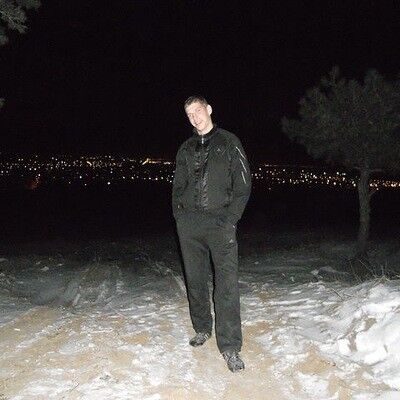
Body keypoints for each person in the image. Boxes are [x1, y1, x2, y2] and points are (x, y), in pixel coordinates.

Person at [172, 95, 251, 372]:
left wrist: (230, 219)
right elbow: (177, 187)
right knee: (195, 279)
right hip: (190, 225)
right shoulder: (185, 148)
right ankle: (202, 327)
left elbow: (243, 185)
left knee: (226, 284)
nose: (194, 117)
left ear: (208, 110)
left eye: (197, 110)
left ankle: (230, 346)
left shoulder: (229, 142)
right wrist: (180, 218)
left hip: (220, 223)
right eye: (189, 114)